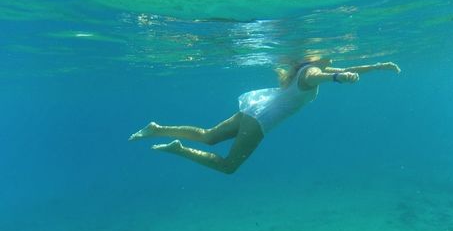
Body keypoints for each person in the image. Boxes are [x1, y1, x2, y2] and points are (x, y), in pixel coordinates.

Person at [129, 57, 400, 174]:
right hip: (261, 119)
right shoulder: (311, 73)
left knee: (208, 136)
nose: (331, 57)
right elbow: (327, 76)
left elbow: (346, 68)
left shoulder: (304, 70)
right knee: (228, 166)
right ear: (313, 58)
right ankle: (179, 150)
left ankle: (157, 128)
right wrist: (341, 77)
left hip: (254, 109)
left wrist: (376, 66)